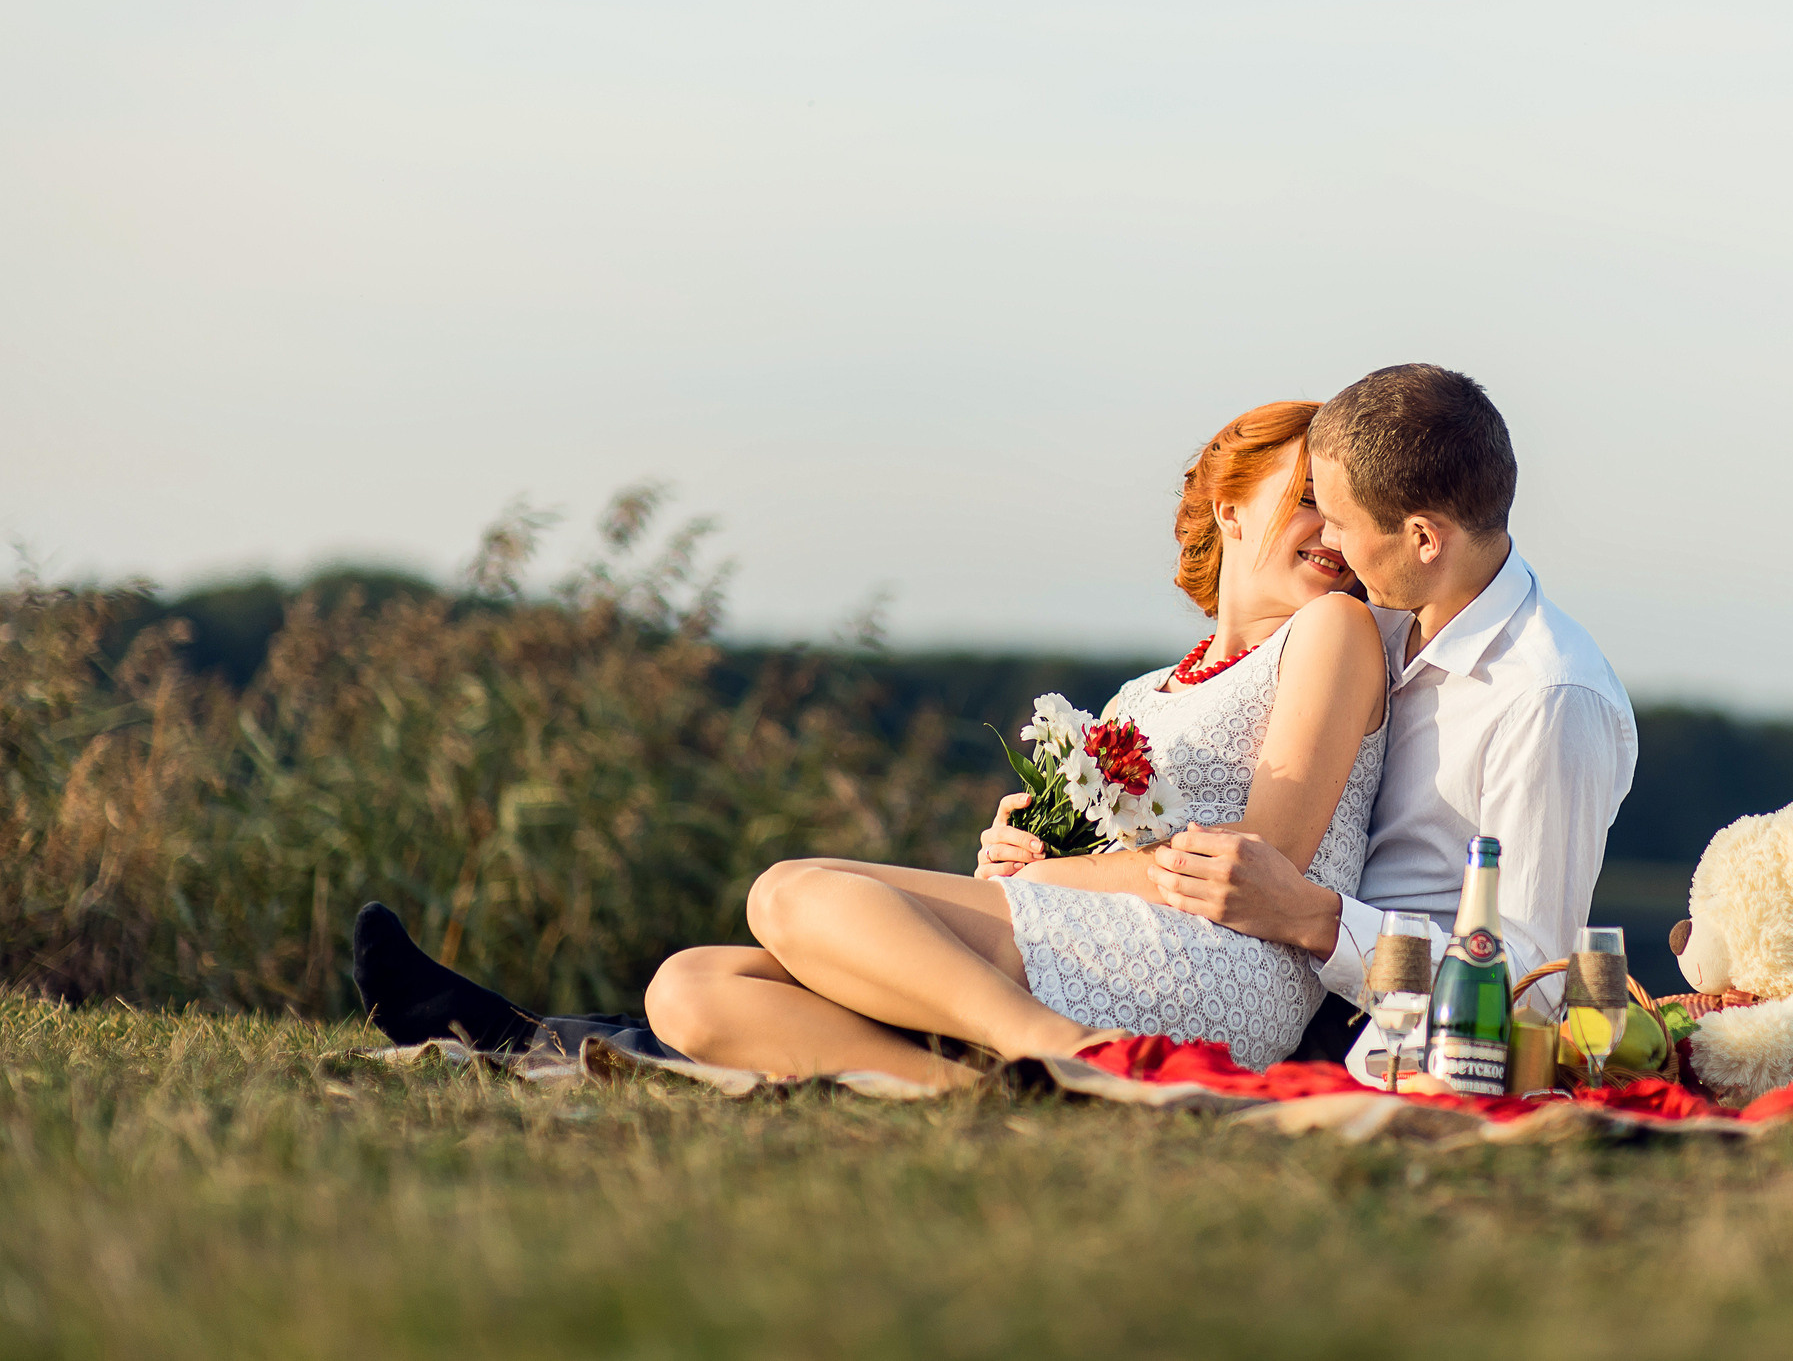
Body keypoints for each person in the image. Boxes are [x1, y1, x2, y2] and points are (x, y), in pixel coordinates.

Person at [355, 399, 1389, 1086]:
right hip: (1111, 936)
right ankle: (984, 1093)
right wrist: (1029, 856)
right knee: (690, 988)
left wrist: (1056, 878)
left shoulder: (1333, 630)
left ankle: (1067, 1054)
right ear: (1230, 508)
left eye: (1346, 513)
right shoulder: (1143, 691)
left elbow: (1263, 861)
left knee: (788, 892)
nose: (1333, 533)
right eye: (1309, 499)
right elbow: (1124, 847)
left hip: (1218, 965)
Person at [988, 363, 1640, 1085]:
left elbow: (1533, 981)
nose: (1330, 541)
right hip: (1253, 970)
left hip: (1392, 1042)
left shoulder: (1548, 696)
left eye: (1340, 520)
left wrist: (1316, 919)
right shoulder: (1378, 617)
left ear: (1424, 538)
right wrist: (1050, 843)